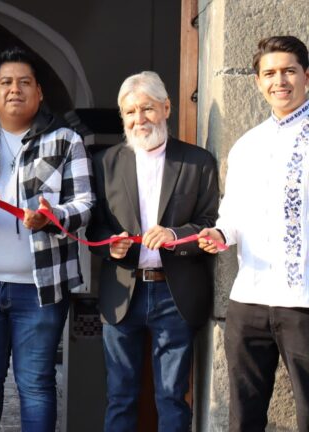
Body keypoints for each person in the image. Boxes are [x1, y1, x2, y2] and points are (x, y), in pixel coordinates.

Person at [0, 47, 94, 431]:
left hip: (41, 287)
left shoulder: (66, 140)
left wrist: (52, 216)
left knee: (36, 384)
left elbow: (85, 204)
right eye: (6, 82)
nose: (15, 89)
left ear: (40, 93)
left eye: (24, 82)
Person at [86, 71, 219, 431]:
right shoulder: (104, 163)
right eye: (130, 112)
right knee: (120, 396)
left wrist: (175, 234)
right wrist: (109, 247)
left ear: (167, 107)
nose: (139, 119)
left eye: (147, 109)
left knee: (173, 397)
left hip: (175, 294)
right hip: (122, 291)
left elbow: (210, 221)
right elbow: (94, 225)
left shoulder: (198, 162)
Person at [198, 35, 309, 431]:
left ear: (306, 76)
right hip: (250, 299)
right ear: (259, 82)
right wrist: (220, 234)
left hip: (303, 300)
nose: (280, 81)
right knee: (243, 414)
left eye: (288, 71)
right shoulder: (247, 145)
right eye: (270, 73)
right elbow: (233, 213)